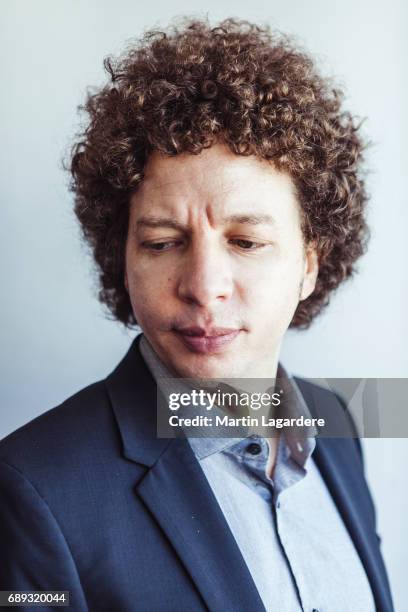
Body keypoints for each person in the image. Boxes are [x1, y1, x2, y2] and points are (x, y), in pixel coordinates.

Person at [0, 18, 393, 612]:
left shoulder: (337, 425)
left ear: (310, 265)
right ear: (122, 258)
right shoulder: (33, 488)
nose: (204, 288)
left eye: (246, 242)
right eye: (162, 242)